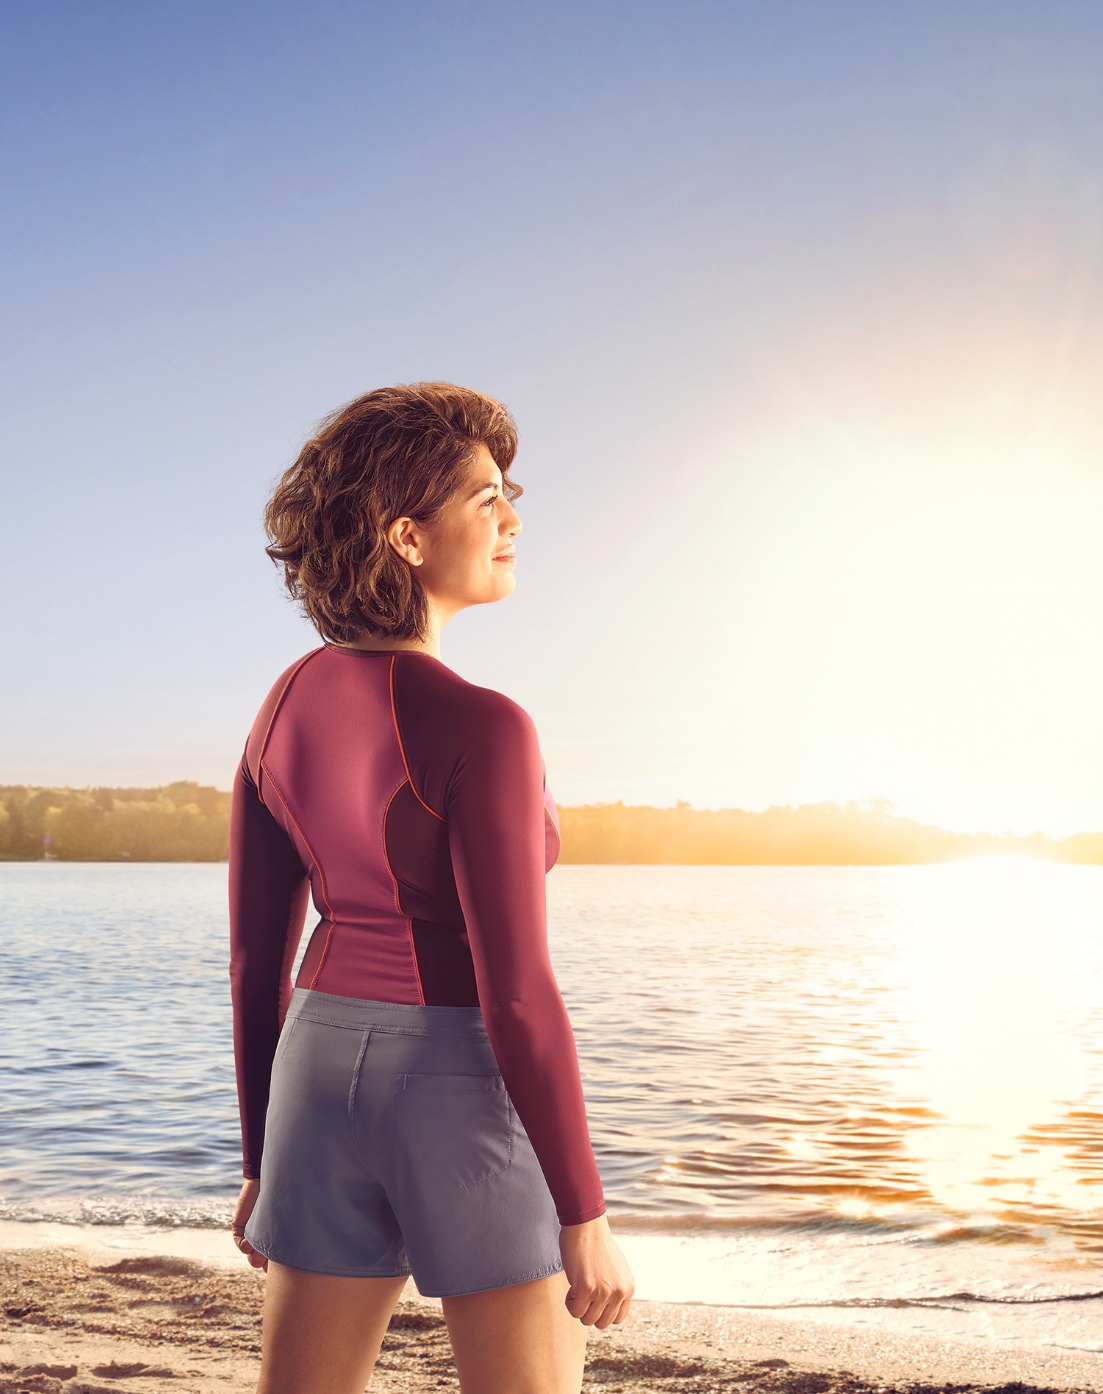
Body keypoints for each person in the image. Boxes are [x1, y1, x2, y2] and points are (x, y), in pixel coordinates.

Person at [227, 382, 633, 1394]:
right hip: (452, 1079)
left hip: (312, 1075)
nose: (513, 520)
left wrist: (257, 1159)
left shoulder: (282, 702)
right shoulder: (486, 724)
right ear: (408, 536)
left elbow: (251, 963)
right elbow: (519, 993)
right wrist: (584, 1215)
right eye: (485, 498)